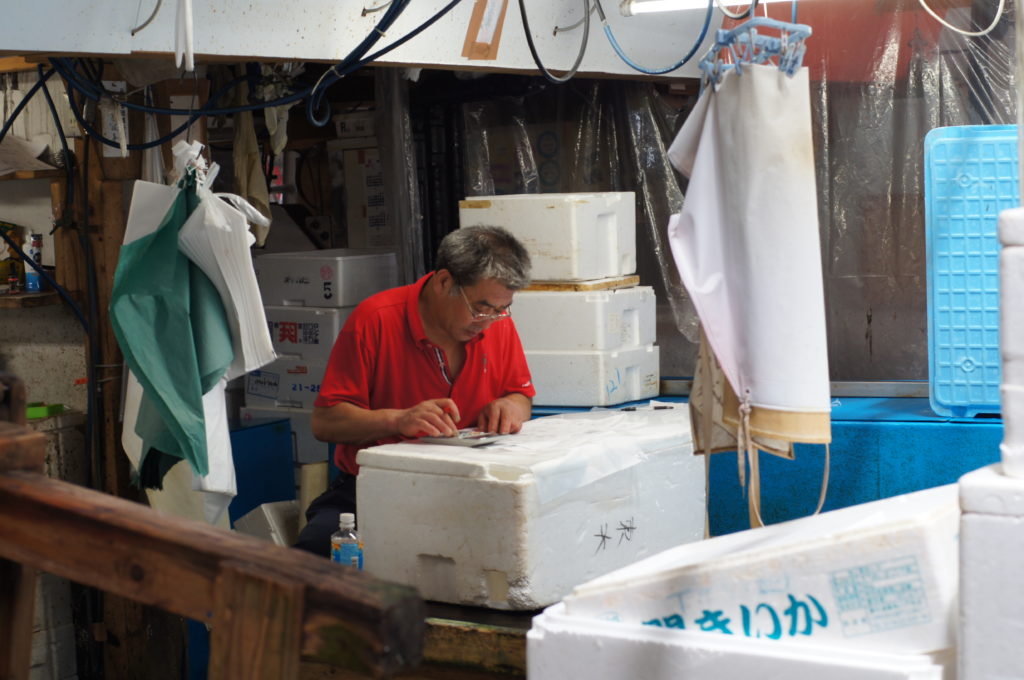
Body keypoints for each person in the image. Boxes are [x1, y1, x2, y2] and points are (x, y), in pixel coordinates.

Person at [294, 225, 535, 556]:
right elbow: (325, 422)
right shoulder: (375, 320)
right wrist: (397, 421)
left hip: (473, 486)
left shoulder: (498, 325)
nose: (489, 319)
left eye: (500, 309)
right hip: (379, 487)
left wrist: (510, 407)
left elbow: (521, 395)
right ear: (444, 282)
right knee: (318, 551)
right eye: (481, 307)